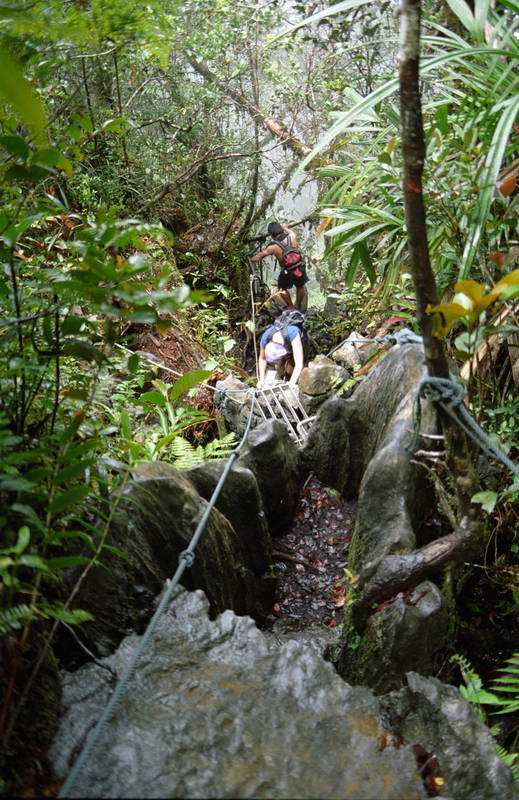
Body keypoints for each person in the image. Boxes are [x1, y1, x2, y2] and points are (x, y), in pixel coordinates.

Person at [251, 221, 309, 311]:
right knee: (300, 287)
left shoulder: (273, 247)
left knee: (282, 288)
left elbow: (258, 257)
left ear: (271, 234)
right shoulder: (292, 236)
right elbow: (289, 230)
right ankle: (297, 305)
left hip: (288, 271)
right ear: (281, 230)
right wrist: (285, 227)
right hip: (300, 267)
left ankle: (290, 306)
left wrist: (250, 258)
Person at [256, 305, 305, 390]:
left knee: (291, 367)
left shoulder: (293, 334)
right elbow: (262, 359)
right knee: (278, 367)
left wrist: (291, 383)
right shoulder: (265, 338)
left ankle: (289, 377)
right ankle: (281, 378)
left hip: (297, 343)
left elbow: (299, 363)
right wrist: (262, 380)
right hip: (284, 343)